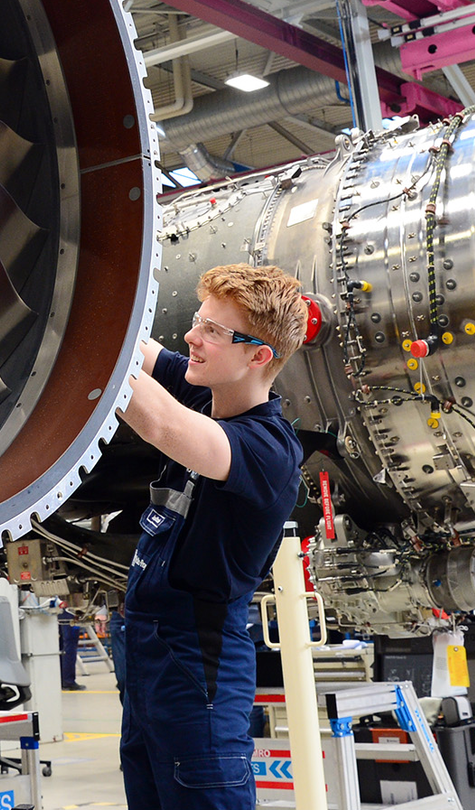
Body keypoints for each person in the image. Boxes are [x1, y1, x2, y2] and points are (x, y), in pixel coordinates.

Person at [114, 264, 307, 810]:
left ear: (258, 356)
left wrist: (84, 346)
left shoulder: (268, 449)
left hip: (198, 671)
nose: (191, 338)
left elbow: (162, 425)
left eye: (213, 332)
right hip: (147, 656)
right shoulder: (207, 393)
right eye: (199, 321)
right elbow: (135, 350)